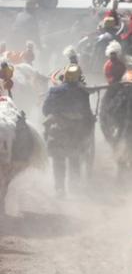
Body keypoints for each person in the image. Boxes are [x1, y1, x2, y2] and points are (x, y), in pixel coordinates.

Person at [42, 65, 94, 196]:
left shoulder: (54, 90)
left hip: (58, 130)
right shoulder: (83, 92)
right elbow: (87, 114)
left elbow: (45, 110)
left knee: (58, 160)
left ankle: (60, 188)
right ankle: (74, 187)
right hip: (77, 132)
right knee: (74, 159)